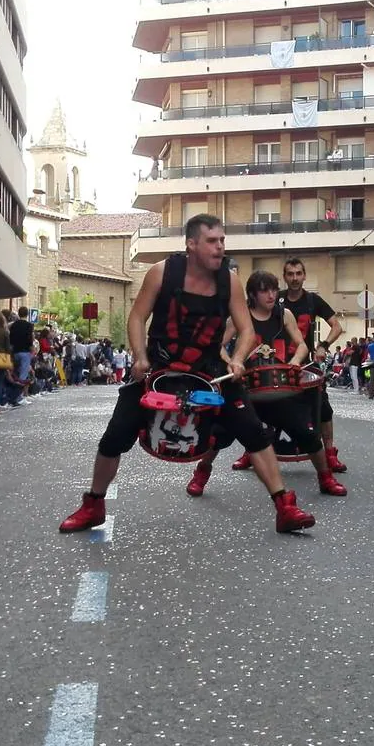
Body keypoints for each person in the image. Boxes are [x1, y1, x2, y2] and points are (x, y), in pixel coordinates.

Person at [57, 214, 315, 534]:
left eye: (222, 240)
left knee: (252, 430)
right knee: (115, 435)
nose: (220, 247)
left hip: (210, 372)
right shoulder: (161, 273)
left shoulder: (230, 282)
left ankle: (284, 507)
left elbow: (246, 331)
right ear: (191, 244)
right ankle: (93, 504)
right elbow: (137, 318)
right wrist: (139, 357)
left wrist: (236, 359)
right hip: (160, 368)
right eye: (212, 241)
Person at [185, 270, 347, 498]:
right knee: (220, 434)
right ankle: (201, 473)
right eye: (264, 291)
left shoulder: (285, 315)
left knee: (306, 432)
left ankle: (326, 478)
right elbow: (217, 345)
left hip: (278, 387)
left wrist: (293, 363)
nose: (271, 295)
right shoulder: (240, 317)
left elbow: (301, 345)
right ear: (252, 294)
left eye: (273, 289)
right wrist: (232, 362)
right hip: (246, 387)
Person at [270, 257, 347, 471]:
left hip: (307, 365)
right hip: (278, 364)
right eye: (290, 274)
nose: (294, 278)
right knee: (264, 406)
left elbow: (336, 326)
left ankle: (330, 454)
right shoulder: (276, 300)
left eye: (298, 273)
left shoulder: (313, 301)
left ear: (304, 276)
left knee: (324, 409)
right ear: (284, 277)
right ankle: (252, 452)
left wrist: (323, 345)